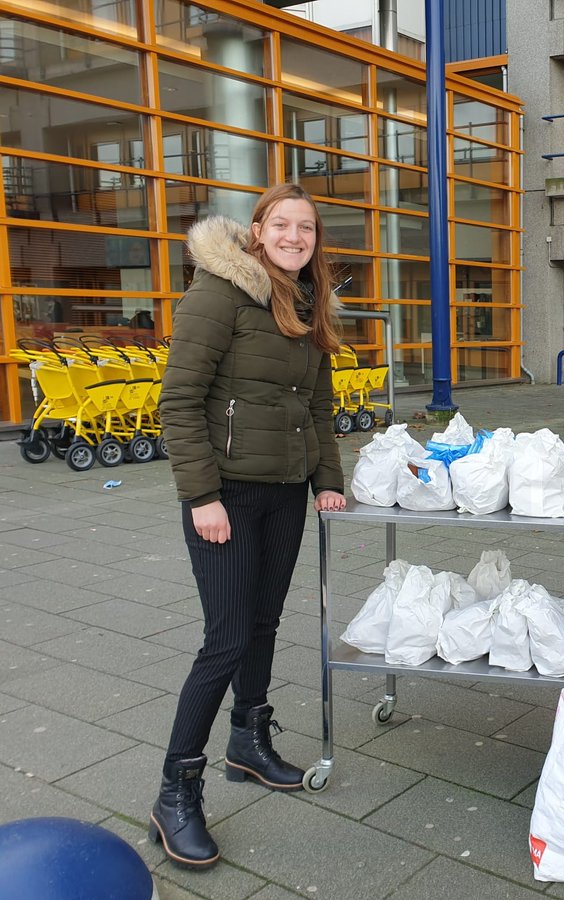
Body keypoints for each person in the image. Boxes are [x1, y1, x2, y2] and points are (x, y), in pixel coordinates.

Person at [151, 183, 347, 869]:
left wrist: (327, 481)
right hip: (226, 496)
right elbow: (179, 400)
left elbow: (317, 405)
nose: (295, 237)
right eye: (282, 224)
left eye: (307, 228)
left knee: (263, 623)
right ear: (258, 230)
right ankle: (176, 791)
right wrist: (201, 496)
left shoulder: (306, 303)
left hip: (284, 492)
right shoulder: (218, 292)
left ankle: (248, 740)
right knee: (227, 638)